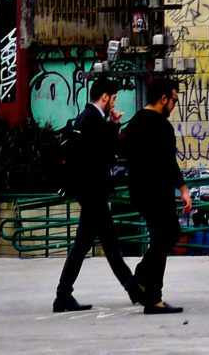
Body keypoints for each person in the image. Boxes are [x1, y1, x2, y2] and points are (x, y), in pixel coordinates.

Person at [52, 78, 142, 313]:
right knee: (103, 245)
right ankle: (133, 289)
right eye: (113, 99)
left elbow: (99, 150)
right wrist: (113, 127)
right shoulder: (93, 120)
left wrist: (111, 125)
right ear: (104, 97)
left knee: (91, 244)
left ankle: (64, 294)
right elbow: (107, 152)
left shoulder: (86, 117)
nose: (114, 103)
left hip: (89, 191)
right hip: (94, 192)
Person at [121, 78, 192, 315]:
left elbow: (123, 153)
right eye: (173, 100)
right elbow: (168, 162)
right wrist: (183, 189)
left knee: (160, 238)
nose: (174, 105)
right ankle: (144, 284)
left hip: (139, 192)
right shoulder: (162, 127)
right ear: (163, 99)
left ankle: (150, 293)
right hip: (158, 192)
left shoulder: (134, 123)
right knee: (168, 235)